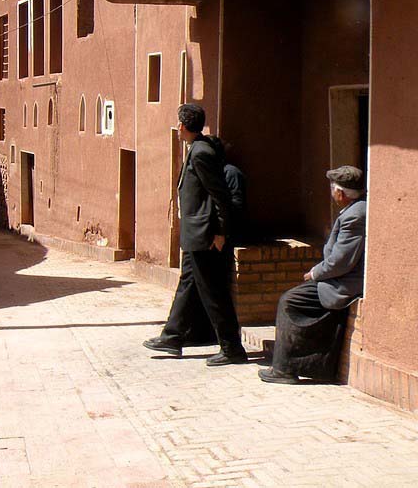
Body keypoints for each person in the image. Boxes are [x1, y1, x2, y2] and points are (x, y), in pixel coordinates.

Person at [144, 104, 247, 366]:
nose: (177, 127)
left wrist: (220, 231)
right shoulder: (196, 149)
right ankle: (172, 336)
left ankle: (232, 348)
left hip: (206, 235)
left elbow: (219, 195)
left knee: (213, 292)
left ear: (183, 125)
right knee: (187, 284)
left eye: (178, 123)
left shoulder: (201, 152)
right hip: (195, 235)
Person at [259, 166, 366, 384]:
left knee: (290, 301)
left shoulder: (355, 215)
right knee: (293, 297)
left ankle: (285, 368)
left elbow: (341, 261)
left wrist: (315, 273)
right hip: (335, 278)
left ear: (340, 193)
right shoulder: (354, 210)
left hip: (342, 282)